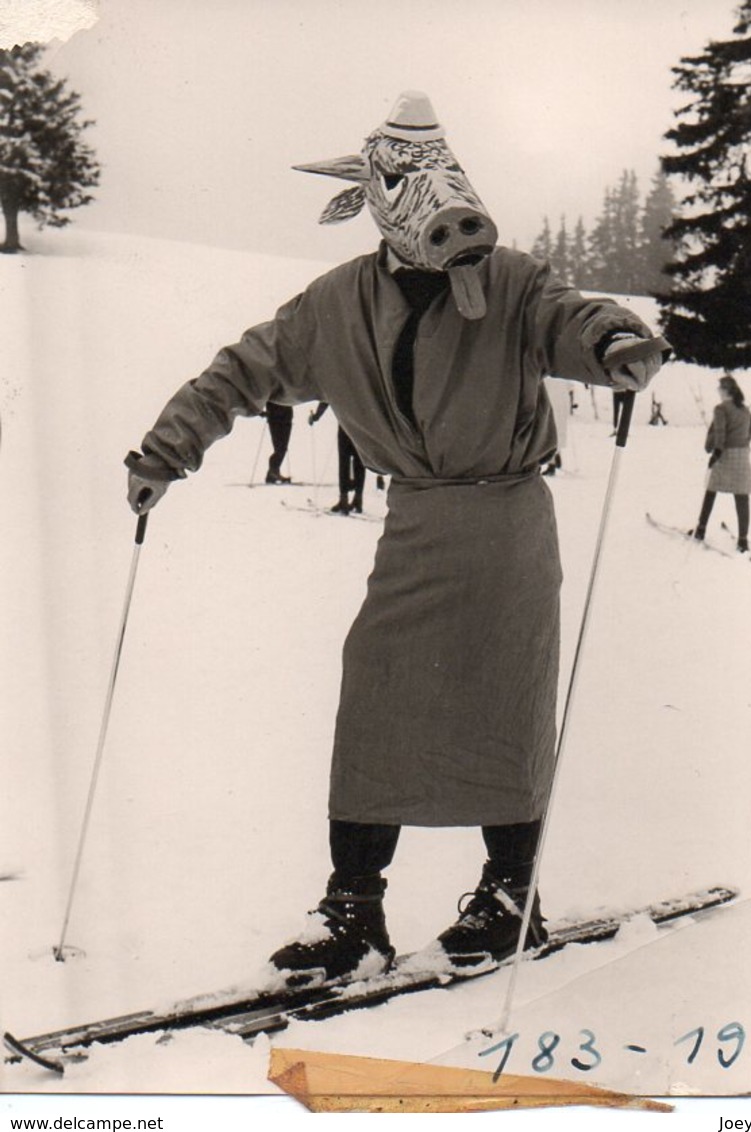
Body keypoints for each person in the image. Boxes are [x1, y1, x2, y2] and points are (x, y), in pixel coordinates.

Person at [125, 91, 666, 987]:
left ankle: (512, 893)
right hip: (416, 524)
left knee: (503, 700)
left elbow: (571, 317)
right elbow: (241, 371)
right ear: (376, 203)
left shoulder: (513, 280)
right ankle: (353, 910)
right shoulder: (335, 304)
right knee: (376, 697)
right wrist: (165, 451)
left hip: (506, 522)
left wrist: (615, 340)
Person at [691, 375, 751, 553]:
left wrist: (716, 453)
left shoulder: (720, 408)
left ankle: (700, 530)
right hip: (743, 456)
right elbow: (750, 435)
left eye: (719, 388)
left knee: (711, 490)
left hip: (725, 454)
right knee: (742, 496)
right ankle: (743, 541)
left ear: (725, 390)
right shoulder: (745, 410)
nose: (718, 391)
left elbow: (720, 434)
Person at [308, 402, 367, 514]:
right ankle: (358, 499)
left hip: (345, 422)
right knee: (360, 460)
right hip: (363, 423)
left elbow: (329, 394)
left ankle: (344, 500)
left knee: (344, 460)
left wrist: (317, 415)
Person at [264, 401, 294, 483]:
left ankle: (273, 472)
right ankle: (273, 472)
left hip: (283, 417)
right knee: (280, 448)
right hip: (276, 418)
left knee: (282, 448)